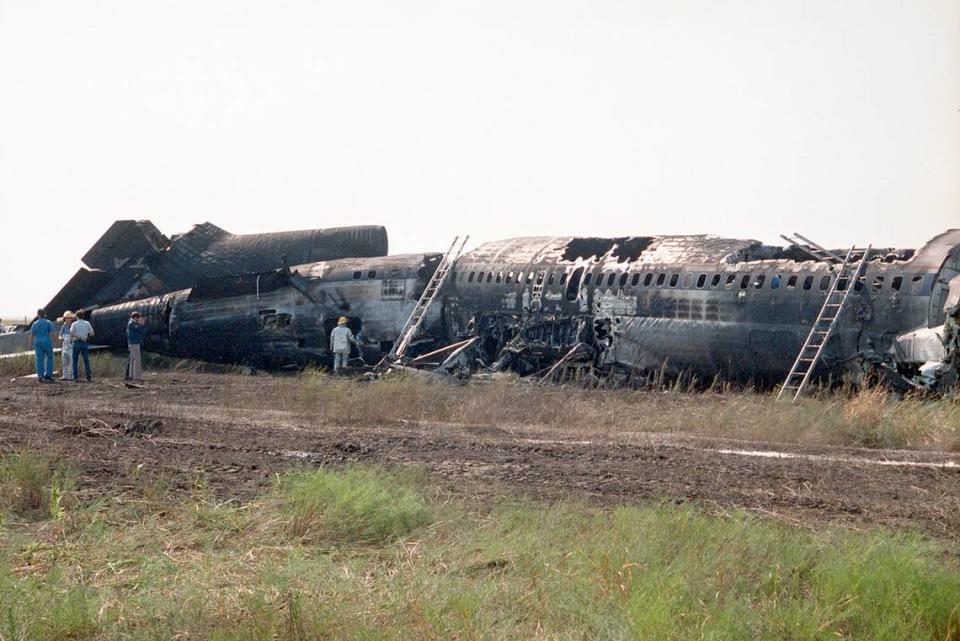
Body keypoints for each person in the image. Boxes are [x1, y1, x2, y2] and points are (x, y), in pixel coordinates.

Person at [28, 309, 57, 382]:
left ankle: (40, 376)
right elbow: (52, 333)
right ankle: (48, 375)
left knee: (39, 359)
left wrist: (30, 344)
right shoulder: (48, 322)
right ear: (45, 314)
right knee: (50, 357)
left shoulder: (35, 323)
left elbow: (32, 335)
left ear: (38, 315)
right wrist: (55, 340)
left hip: (37, 341)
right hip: (46, 341)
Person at [70, 310, 95, 383]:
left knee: (75, 360)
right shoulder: (87, 323)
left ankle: (75, 377)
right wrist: (86, 335)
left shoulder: (74, 324)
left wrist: (78, 337)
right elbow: (92, 333)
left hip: (77, 342)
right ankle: (88, 377)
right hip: (84, 342)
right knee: (86, 360)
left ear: (77, 316)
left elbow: (71, 333)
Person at [125, 311, 144, 381]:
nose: (138, 319)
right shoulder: (132, 324)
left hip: (131, 343)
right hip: (134, 343)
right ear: (135, 317)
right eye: (138, 318)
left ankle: (131, 375)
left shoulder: (130, 323)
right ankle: (137, 376)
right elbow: (140, 330)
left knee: (133, 360)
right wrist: (141, 324)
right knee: (137, 360)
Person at [59, 311, 76, 381]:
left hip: (71, 344)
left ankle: (71, 375)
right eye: (66, 318)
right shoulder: (63, 326)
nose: (68, 319)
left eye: (69, 318)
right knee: (64, 360)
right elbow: (60, 335)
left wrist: (72, 338)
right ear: (64, 319)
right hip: (64, 344)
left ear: (71, 318)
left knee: (71, 360)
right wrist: (61, 338)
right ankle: (65, 375)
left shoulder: (73, 325)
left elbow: (75, 334)